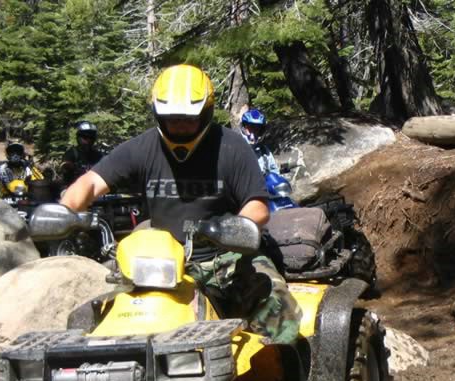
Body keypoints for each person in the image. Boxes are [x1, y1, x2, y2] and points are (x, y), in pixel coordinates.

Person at [61, 64, 301, 344]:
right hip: (159, 265)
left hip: (227, 258)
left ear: (206, 112)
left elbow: (257, 206)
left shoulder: (232, 146)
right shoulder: (142, 148)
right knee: (94, 318)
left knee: (281, 314)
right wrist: (66, 210)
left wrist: (231, 228)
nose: (180, 125)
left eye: (188, 118)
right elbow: (90, 182)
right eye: (172, 118)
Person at [60, 121, 106, 187]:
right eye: (85, 137)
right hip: (74, 189)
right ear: (78, 138)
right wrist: (71, 166)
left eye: (91, 138)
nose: (88, 140)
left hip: (94, 189)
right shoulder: (72, 153)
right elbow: (64, 165)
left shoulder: (97, 154)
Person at [240, 108, 279, 175]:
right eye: (250, 127)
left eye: (257, 129)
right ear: (244, 128)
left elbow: (275, 171)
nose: (253, 132)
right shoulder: (235, 147)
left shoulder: (264, 150)